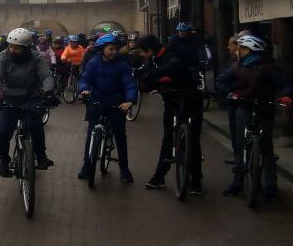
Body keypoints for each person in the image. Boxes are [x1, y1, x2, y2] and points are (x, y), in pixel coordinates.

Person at [222, 35, 292, 200]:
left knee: (267, 149)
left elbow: (284, 83)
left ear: (249, 50)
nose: (238, 51)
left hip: (264, 108)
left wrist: (286, 96)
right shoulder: (236, 67)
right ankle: (238, 182)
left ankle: (271, 187)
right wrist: (228, 92)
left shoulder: (268, 68)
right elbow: (221, 80)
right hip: (244, 107)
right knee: (240, 146)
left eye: (241, 49)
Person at [135, 34, 205, 193]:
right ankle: (159, 177)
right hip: (171, 100)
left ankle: (196, 180)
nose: (141, 55)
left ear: (151, 50)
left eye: (143, 52)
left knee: (193, 139)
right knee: (167, 139)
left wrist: (154, 75)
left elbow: (174, 67)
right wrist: (141, 80)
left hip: (190, 99)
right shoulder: (152, 61)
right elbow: (147, 80)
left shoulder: (172, 54)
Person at [0, 28, 57, 176]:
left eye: (17, 48)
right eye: (10, 46)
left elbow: (46, 76)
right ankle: (4, 160)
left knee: (35, 125)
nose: (12, 50)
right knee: (0, 133)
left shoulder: (36, 57)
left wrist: (49, 92)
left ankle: (40, 155)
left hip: (30, 97)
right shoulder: (3, 56)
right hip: (7, 99)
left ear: (26, 48)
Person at [77, 34, 138, 183]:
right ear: (102, 49)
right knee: (91, 133)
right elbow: (85, 78)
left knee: (120, 136)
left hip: (116, 103)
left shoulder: (122, 65)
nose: (114, 52)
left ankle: (124, 169)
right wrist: (84, 89)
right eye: (111, 49)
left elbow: (129, 83)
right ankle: (86, 167)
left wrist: (130, 101)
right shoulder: (93, 63)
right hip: (97, 101)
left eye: (116, 49)